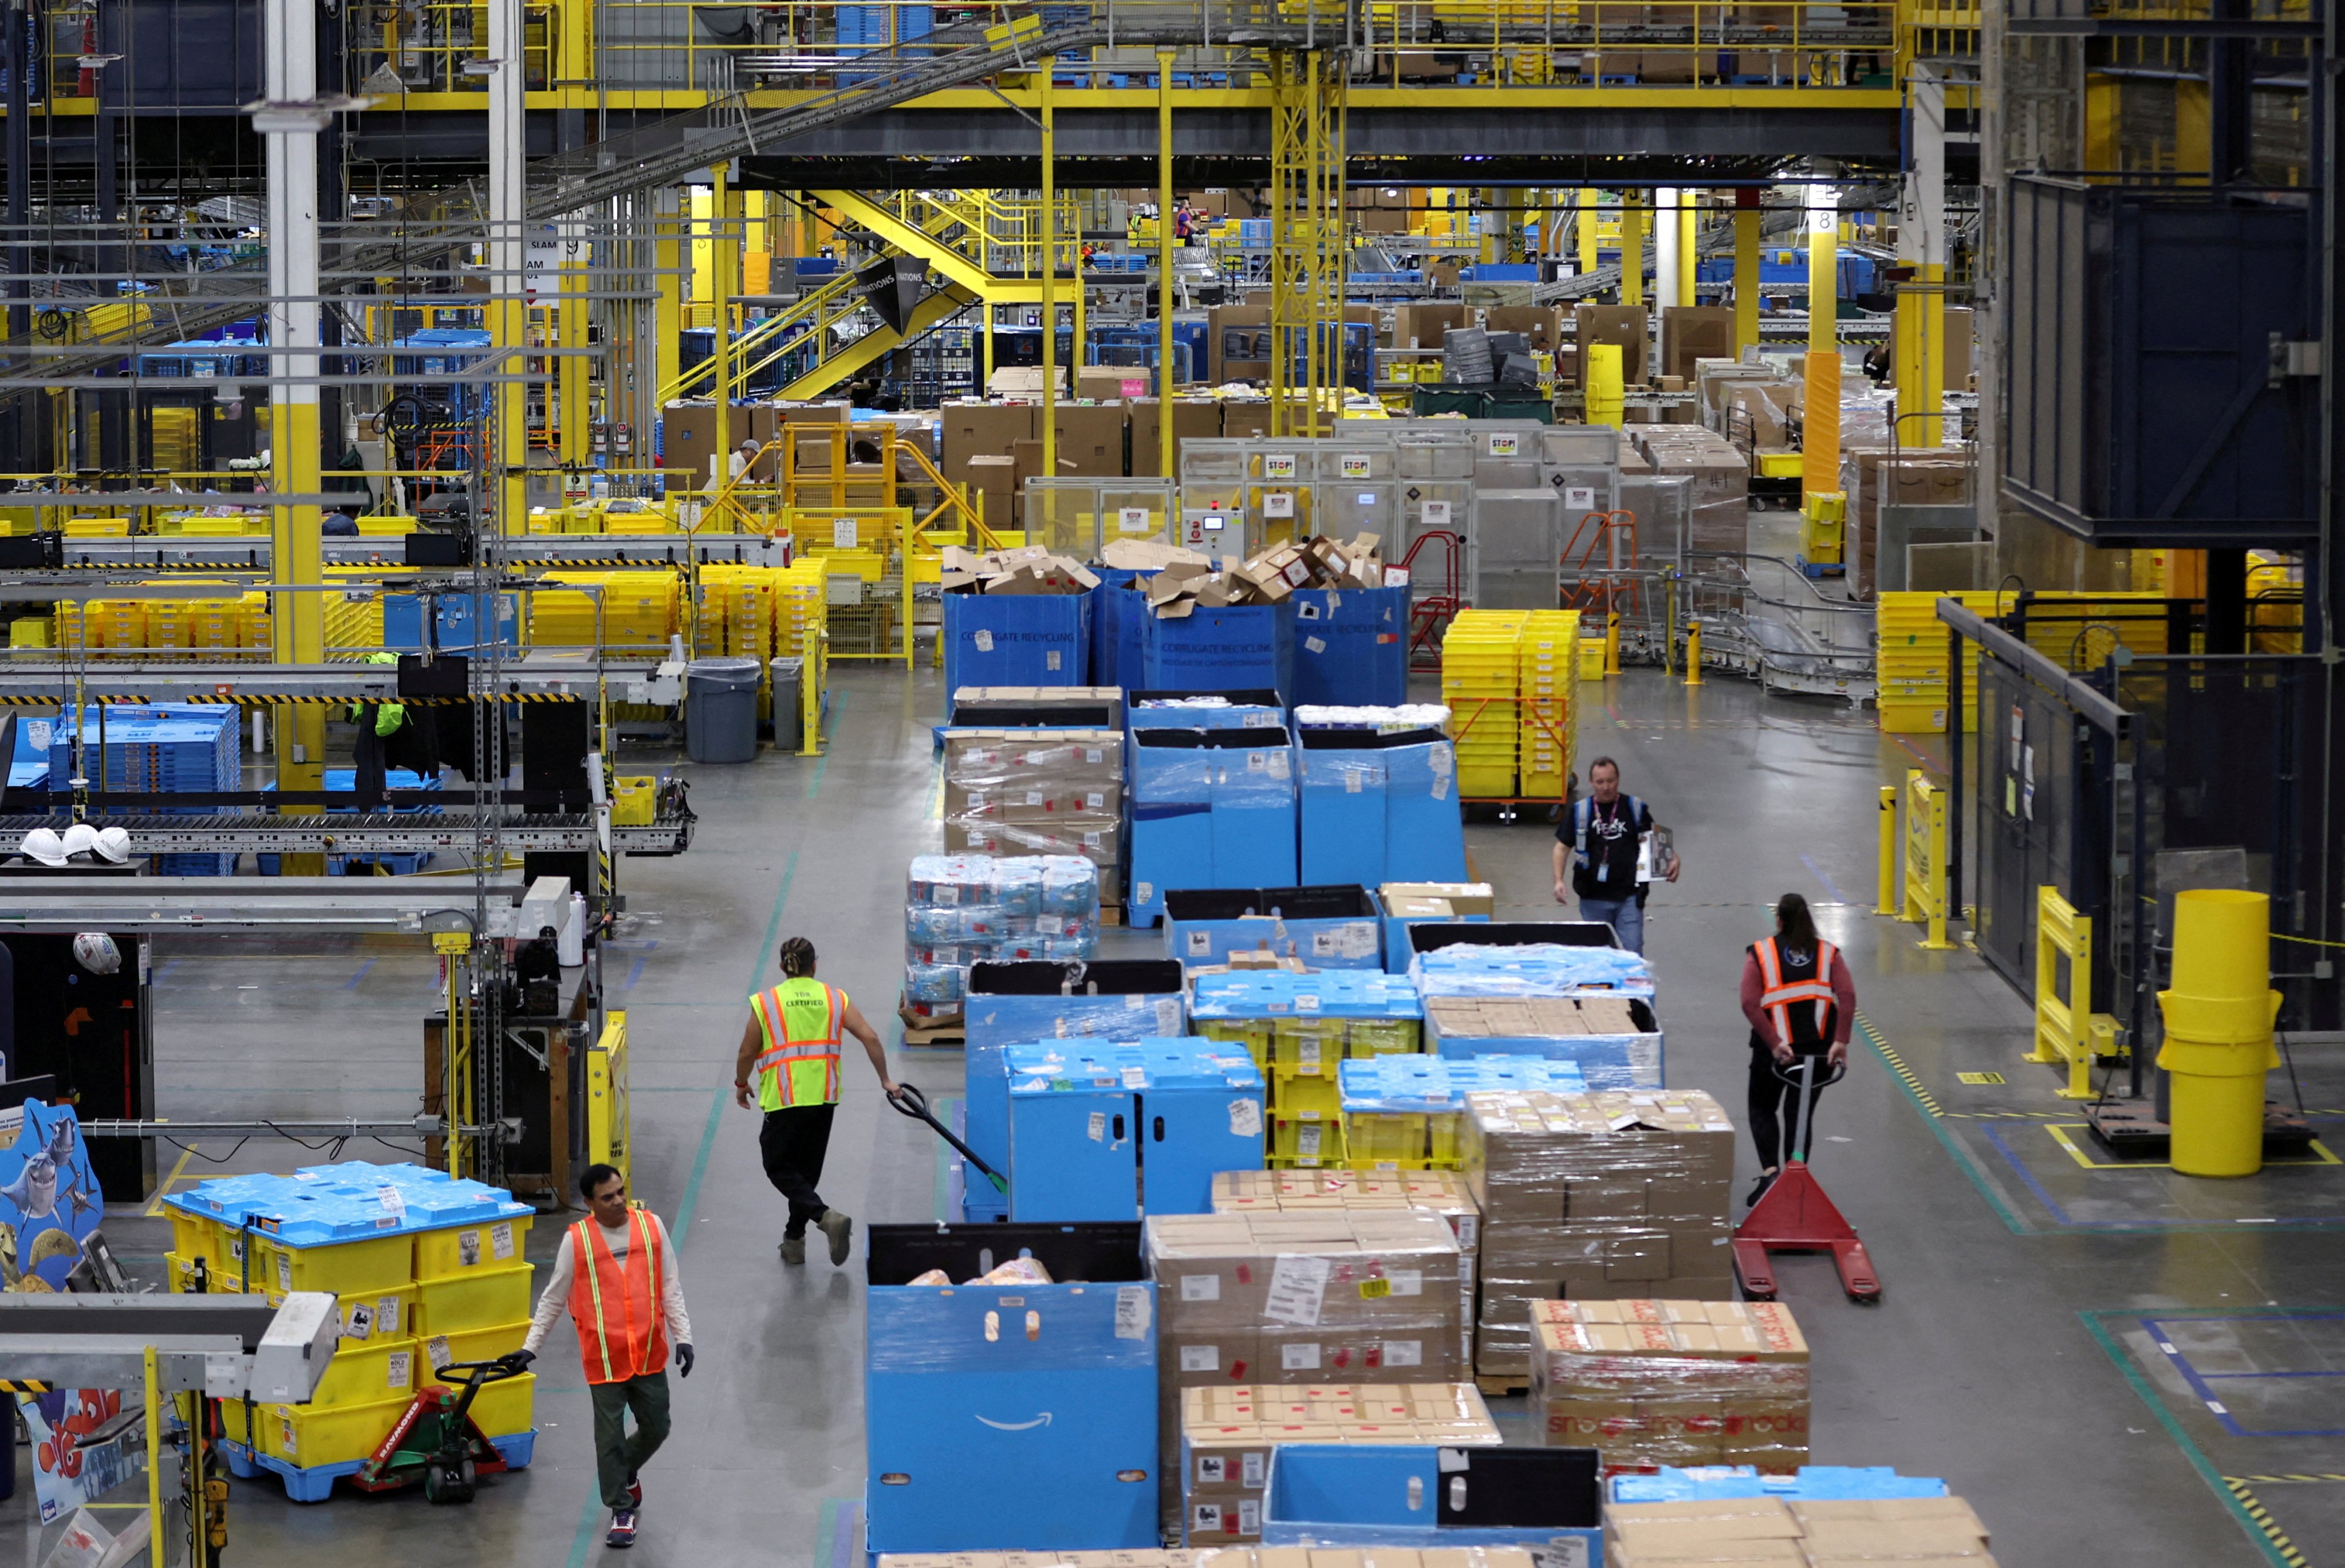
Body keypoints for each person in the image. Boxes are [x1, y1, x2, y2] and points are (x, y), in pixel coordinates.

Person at [510, 1164, 693, 1550]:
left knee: (658, 1426)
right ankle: (620, 1509)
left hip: (647, 1352)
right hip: (604, 1359)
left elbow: (670, 1285)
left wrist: (684, 1338)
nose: (619, 1202)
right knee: (607, 1439)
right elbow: (553, 1297)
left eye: (621, 1192)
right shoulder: (577, 1241)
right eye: (608, 1197)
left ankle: (624, 1470)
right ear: (590, 1203)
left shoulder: (651, 1227)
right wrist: (531, 1347)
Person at [734, 936, 897, 1265]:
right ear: (815, 966)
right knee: (805, 1173)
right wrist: (885, 1080)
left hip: (784, 1098)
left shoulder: (767, 1002)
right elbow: (870, 1037)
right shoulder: (834, 998)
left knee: (778, 1166)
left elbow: (748, 1050)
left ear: (783, 967)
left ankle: (825, 1217)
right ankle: (794, 1240)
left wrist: (741, 1083)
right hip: (824, 1098)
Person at [1739, 893, 1856, 1207]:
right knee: (1799, 1112)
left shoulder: (1762, 954)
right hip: (1819, 1053)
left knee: (1762, 1108)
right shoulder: (1829, 954)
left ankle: (1772, 1173)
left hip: (1775, 1054)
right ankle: (1796, 1173)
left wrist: (1775, 1043)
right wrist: (1840, 1041)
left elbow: (1750, 1003)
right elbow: (1847, 996)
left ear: (1779, 920)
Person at [1551, 757, 1680, 954]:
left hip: (1628, 897)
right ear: (1591, 782)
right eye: (1600, 782)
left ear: (1618, 780)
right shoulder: (1581, 812)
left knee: (1632, 951)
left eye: (1610, 781)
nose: (1605, 787)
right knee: (1598, 954)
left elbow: (1656, 841)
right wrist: (1559, 880)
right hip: (1593, 898)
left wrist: (1673, 859)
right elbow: (1561, 847)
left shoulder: (1635, 808)